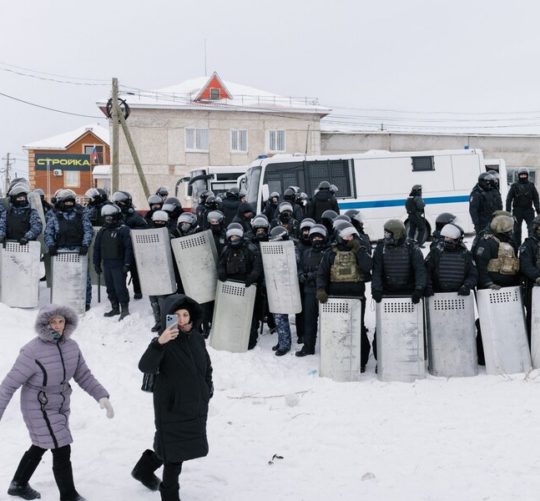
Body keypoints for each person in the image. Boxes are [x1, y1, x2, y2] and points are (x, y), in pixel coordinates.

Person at [0, 304, 114, 501]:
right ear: (44, 323)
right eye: (53, 321)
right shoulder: (31, 351)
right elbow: (8, 385)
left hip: (59, 404)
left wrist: (101, 395)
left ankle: (18, 484)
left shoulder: (71, 347)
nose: (58, 326)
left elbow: (83, 375)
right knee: (61, 446)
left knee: (42, 443)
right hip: (37, 404)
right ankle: (69, 496)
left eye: (61, 321)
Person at [136, 294, 213, 501]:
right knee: (174, 457)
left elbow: (206, 366)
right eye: (176, 315)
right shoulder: (164, 340)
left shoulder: (197, 337)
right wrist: (159, 343)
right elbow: (146, 366)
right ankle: (170, 496)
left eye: (185, 314)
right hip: (170, 406)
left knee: (171, 447)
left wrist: (207, 389)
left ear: (191, 317)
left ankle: (143, 470)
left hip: (195, 404)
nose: (181, 319)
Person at [317, 222, 373, 369]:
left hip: (357, 297)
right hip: (336, 298)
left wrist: (359, 250)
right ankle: (339, 357)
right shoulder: (331, 253)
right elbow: (322, 273)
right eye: (347, 236)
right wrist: (321, 289)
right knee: (339, 328)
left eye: (352, 236)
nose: (350, 238)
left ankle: (361, 361)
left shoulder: (360, 250)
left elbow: (368, 267)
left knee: (358, 328)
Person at [371, 219, 427, 360]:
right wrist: (376, 289)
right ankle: (382, 359)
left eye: (388, 233)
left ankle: (413, 356)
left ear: (396, 233)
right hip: (387, 294)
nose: (385, 236)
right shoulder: (380, 248)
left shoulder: (411, 247)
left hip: (408, 294)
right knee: (384, 329)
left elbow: (420, 270)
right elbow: (376, 270)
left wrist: (419, 289)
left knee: (410, 328)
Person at [474, 213, 520, 363]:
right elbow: (480, 266)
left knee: (508, 320)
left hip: (508, 288)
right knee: (487, 321)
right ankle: (483, 355)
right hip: (490, 290)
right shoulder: (486, 242)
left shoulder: (509, 242)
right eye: (509, 230)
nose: (511, 232)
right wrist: (488, 283)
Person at [45, 189, 94, 311]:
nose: (68, 205)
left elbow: (88, 231)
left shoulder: (81, 215)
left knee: (83, 277)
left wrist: (85, 245)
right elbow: (48, 233)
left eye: (70, 202)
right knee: (62, 277)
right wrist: (51, 245)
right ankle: (62, 299)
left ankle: (85, 301)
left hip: (78, 251)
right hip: (60, 251)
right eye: (66, 202)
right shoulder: (55, 217)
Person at [217, 223, 263, 349]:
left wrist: (251, 278)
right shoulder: (226, 249)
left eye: (237, 236)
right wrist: (221, 273)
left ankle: (251, 338)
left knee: (249, 314)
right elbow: (220, 263)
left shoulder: (250, 248)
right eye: (232, 237)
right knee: (232, 312)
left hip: (247, 285)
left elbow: (257, 266)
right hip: (231, 285)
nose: (234, 239)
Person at [93, 204, 134, 321]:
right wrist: (96, 263)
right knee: (110, 288)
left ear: (116, 217)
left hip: (119, 264)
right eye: (106, 218)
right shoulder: (103, 230)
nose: (108, 220)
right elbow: (97, 248)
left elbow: (128, 248)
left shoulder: (123, 230)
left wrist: (127, 264)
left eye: (111, 217)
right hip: (107, 264)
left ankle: (125, 309)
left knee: (120, 288)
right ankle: (115, 308)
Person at [296, 224, 328, 356]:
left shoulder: (327, 253)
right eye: (314, 238)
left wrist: (311, 275)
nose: (317, 240)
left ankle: (328, 347)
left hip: (324, 291)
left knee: (327, 321)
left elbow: (325, 270)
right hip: (309, 291)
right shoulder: (306, 253)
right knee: (309, 321)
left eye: (319, 238)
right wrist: (301, 275)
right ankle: (308, 347)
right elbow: (300, 267)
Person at [111, 191, 147, 300]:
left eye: (120, 203)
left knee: (135, 271)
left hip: (134, 248)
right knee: (121, 272)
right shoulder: (116, 216)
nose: (118, 206)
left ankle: (138, 291)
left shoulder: (135, 216)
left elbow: (144, 229)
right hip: (120, 248)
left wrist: (130, 232)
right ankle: (121, 293)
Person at [424, 223, 478, 297]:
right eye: (446, 237)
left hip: (459, 296)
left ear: (458, 239)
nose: (447, 240)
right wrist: (428, 287)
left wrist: (467, 285)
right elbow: (426, 271)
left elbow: (473, 274)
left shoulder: (466, 254)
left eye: (450, 238)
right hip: (438, 295)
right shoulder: (436, 251)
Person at [505, 167, 540, 246]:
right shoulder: (514, 186)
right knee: (516, 231)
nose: (523, 177)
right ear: (518, 175)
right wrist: (508, 211)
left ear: (527, 175)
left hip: (529, 211)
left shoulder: (531, 186)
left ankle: (531, 246)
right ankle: (517, 246)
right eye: (522, 175)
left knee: (531, 229)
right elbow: (509, 199)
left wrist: (538, 210)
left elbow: (536, 198)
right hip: (517, 211)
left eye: (525, 175)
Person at [519, 216, 540, 341]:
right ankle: (533, 344)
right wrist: (537, 277)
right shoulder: (528, 244)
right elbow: (525, 265)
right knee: (533, 318)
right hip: (533, 287)